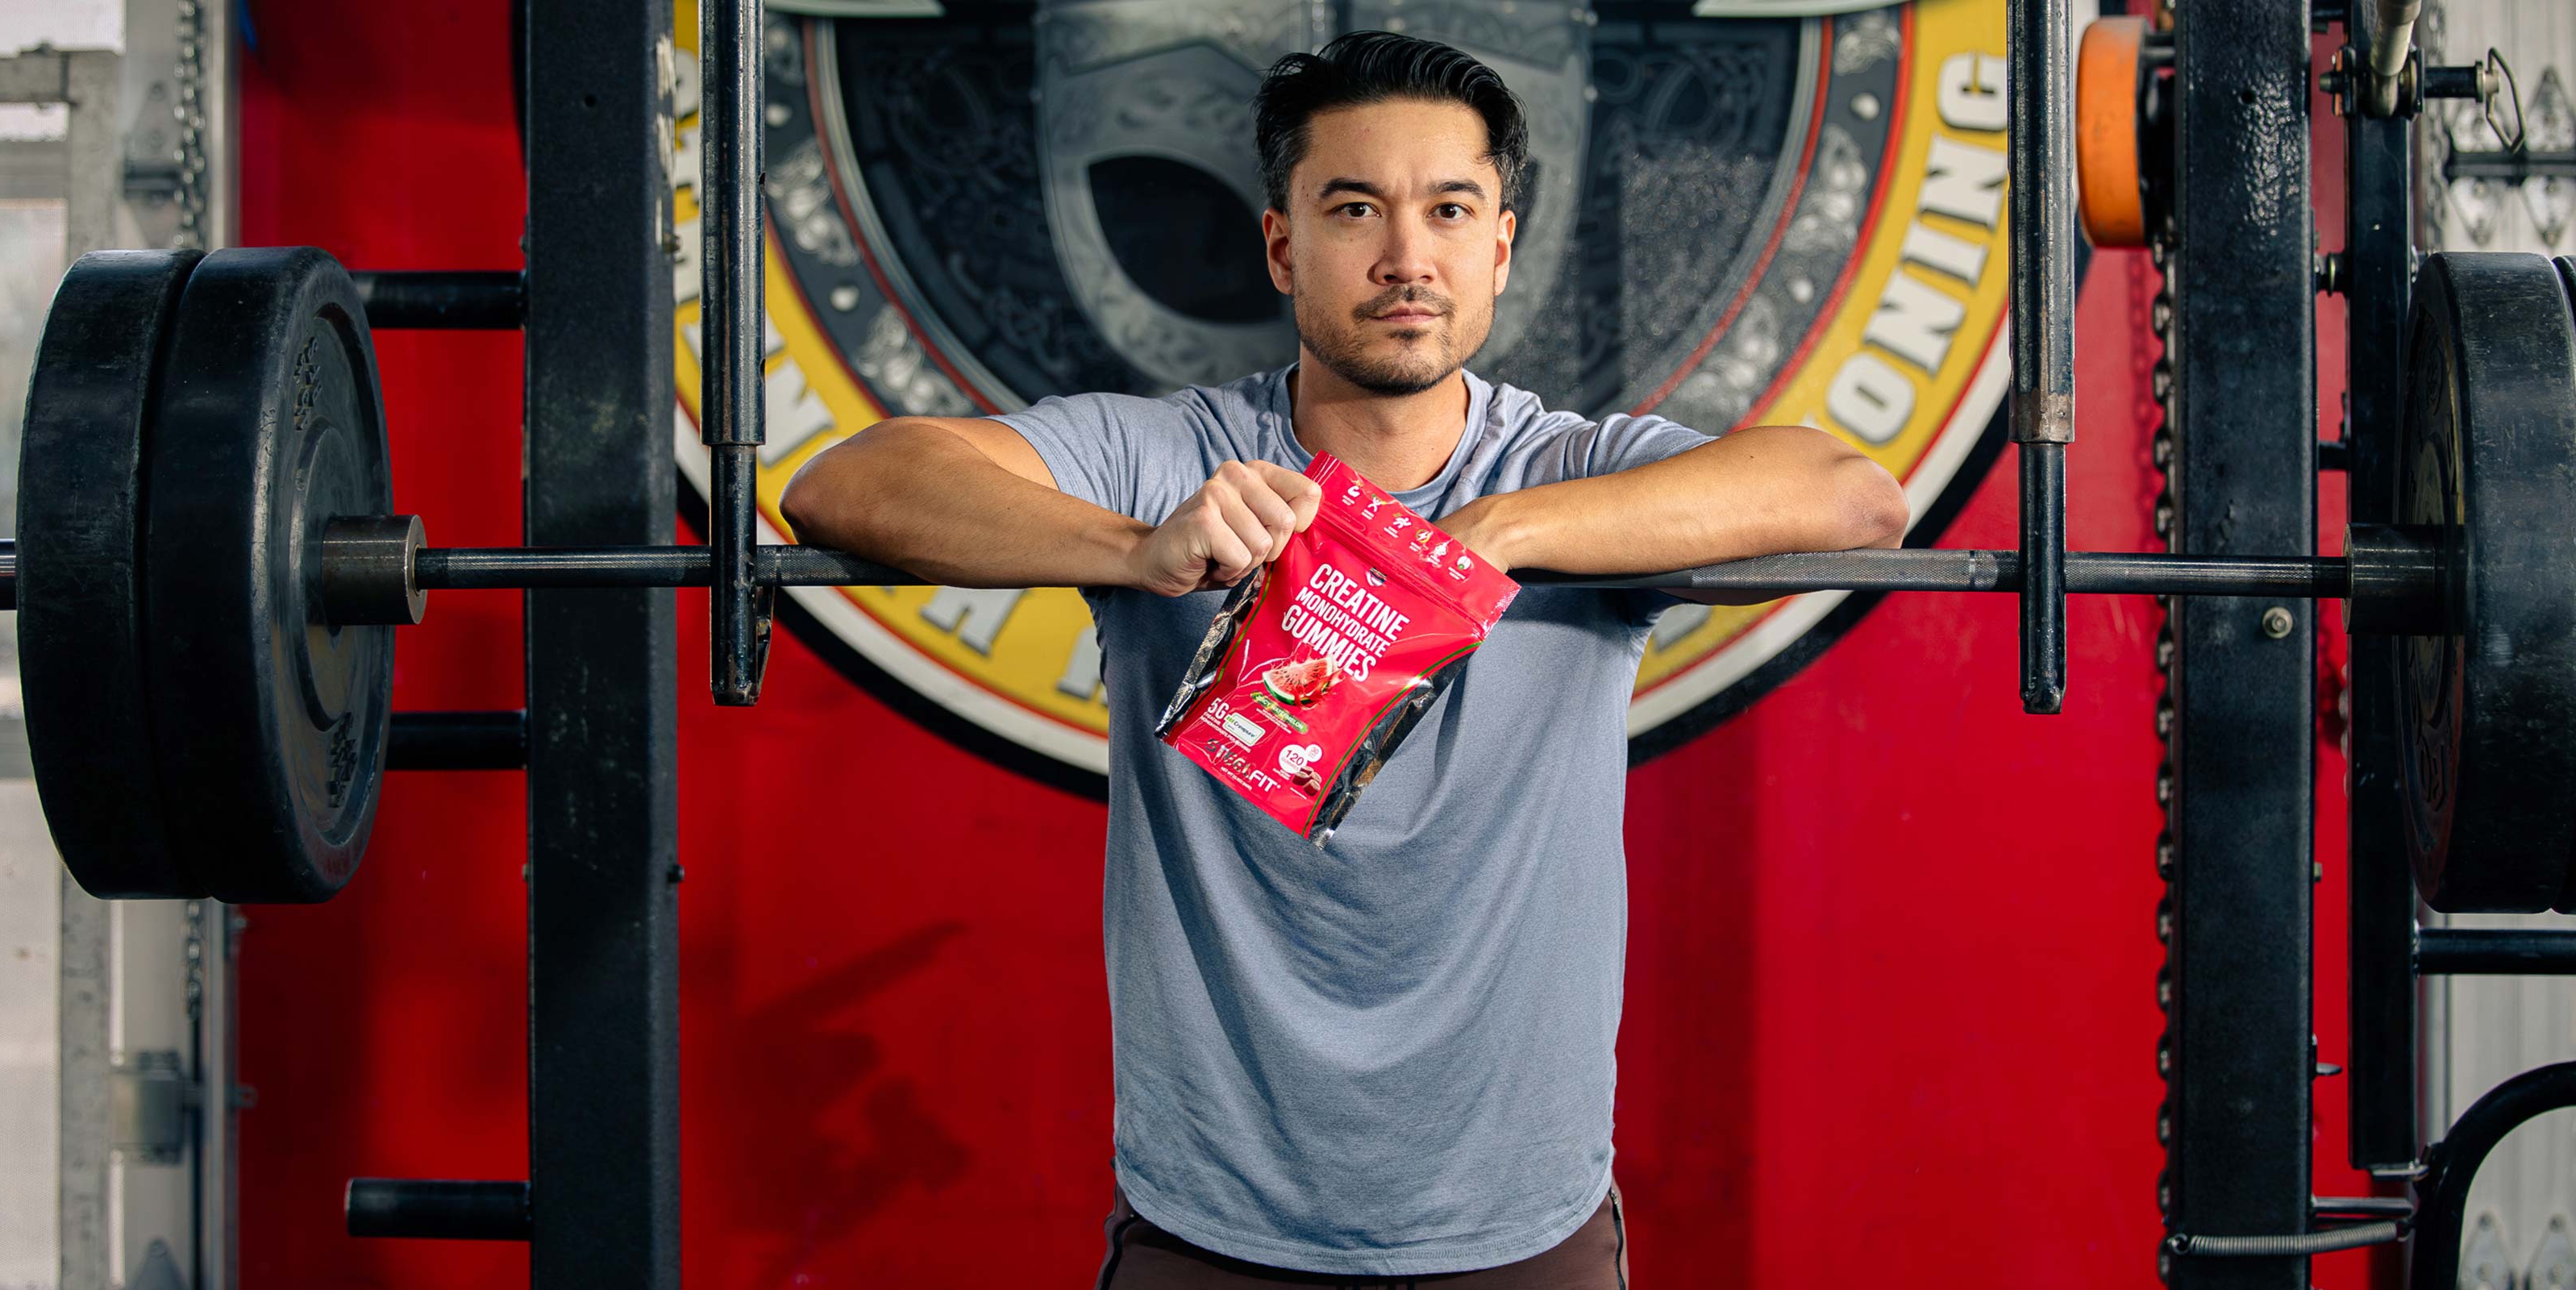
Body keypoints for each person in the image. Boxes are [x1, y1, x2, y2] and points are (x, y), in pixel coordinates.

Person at [783, 30, 1905, 1288]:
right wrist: (1136, 548)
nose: (1405, 257)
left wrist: (1490, 537)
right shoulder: (1183, 464)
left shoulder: (1570, 474)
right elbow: (844, 485)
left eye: (1449, 209)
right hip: (1207, 1227)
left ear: (1501, 247)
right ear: (1281, 244)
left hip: (1521, 1231)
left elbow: (1854, 494)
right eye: (1355, 208)